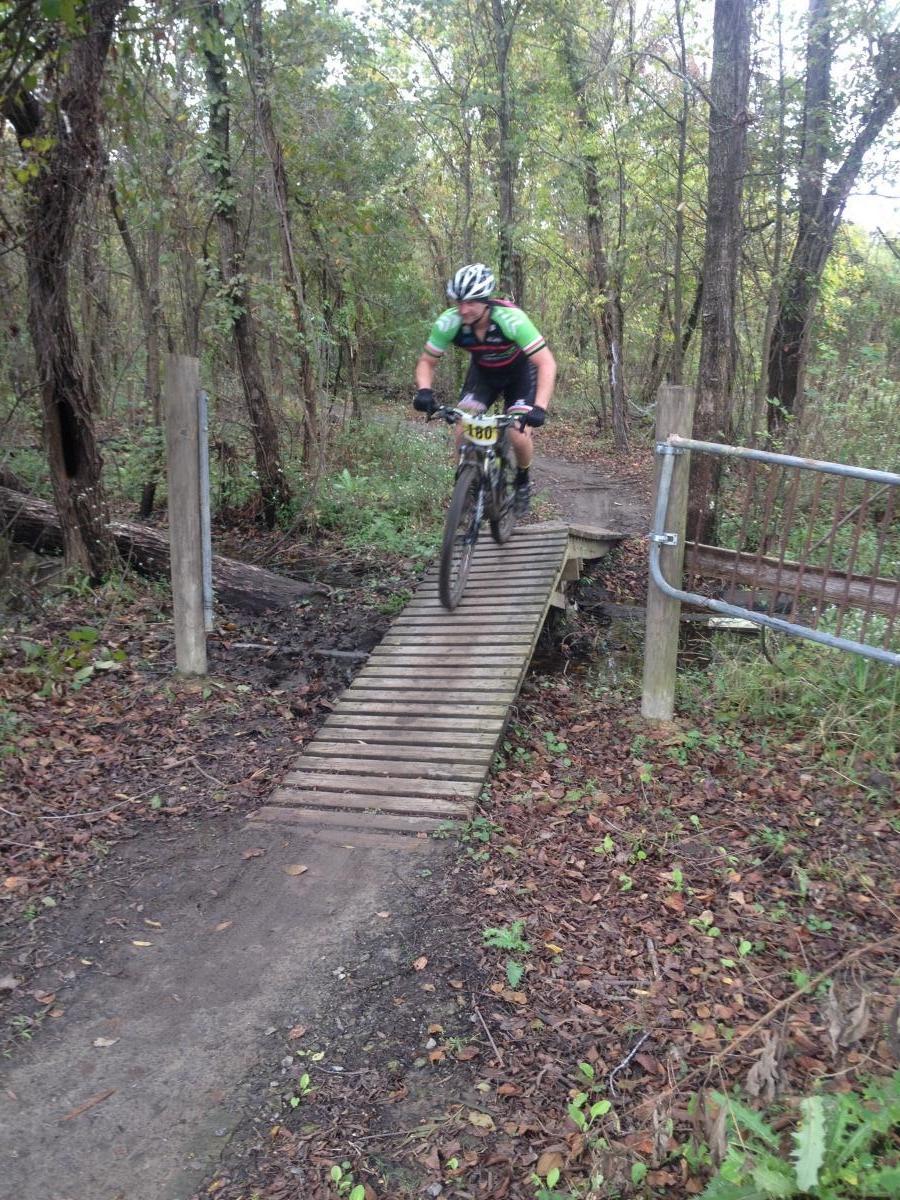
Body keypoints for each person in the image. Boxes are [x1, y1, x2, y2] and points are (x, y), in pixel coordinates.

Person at [414, 263, 556, 516]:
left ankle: (522, 479)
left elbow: (546, 363)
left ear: (485, 301)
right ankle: (468, 484)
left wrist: (540, 408)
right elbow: (427, 361)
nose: (463, 309)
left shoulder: (511, 320)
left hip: (520, 375)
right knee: (462, 426)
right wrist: (424, 390)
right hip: (483, 375)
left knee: (517, 433)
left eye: (470, 302)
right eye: (459, 302)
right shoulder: (450, 322)